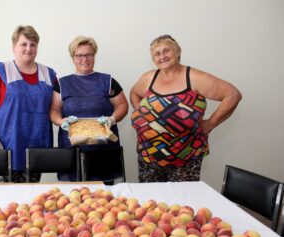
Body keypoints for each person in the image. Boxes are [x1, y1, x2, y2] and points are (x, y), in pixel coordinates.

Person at [130, 34, 242, 182]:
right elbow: (134, 93)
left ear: (177, 51)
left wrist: (210, 124)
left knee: (182, 202)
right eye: (157, 54)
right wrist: (143, 116)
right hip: (149, 156)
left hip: (184, 158)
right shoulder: (148, 78)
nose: (162, 56)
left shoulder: (194, 77)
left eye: (166, 50)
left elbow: (232, 94)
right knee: (152, 202)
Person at [0, 25, 58, 183]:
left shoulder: (49, 74)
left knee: (32, 199)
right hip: (9, 147)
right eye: (24, 44)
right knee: (8, 201)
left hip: (37, 148)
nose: (28, 49)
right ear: (14, 47)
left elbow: (55, 108)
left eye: (33, 44)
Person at [51, 35, 128, 183]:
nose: (84, 59)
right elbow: (54, 110)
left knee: (104, 199)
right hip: (72, 150)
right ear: (73, 58)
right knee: (73, 199)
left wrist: (112, 119)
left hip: (103, 151)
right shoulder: (62, 84)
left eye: (89, 55)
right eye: (79, 55)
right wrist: (60, 121)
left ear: (94, 56)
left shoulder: (108, 81)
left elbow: (122, 105)